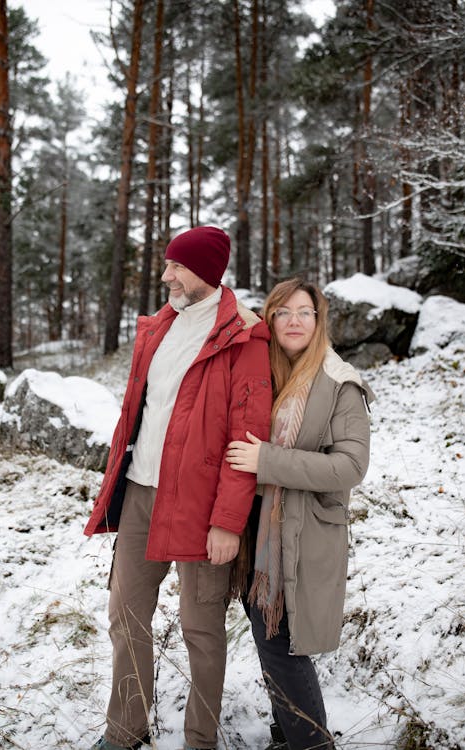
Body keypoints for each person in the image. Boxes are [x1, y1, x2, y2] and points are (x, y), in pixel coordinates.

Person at [85, 225, 272, 750]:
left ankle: (200, 740)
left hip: (203, 505)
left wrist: (227, 522)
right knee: (124, 613)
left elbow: (247, 439)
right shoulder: (158, 328)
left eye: (177, 267)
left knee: (201, 629)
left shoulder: (243, 337)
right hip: (142, 493)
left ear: (207, 274)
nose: (166, 275)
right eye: (167, 264)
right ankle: (124, 729)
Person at [226, 277, 374, 750]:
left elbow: (350, 466)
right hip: (258, 528)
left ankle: (311, 742)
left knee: (280, 640)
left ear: (319, 319)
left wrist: (268, 460)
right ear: (270, 318)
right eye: (283, 311)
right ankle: (286, 729)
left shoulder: (338, 382)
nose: (294, 321)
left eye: (304, 312)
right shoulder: (262, 372)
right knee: (266, 630)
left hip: (305, 530)